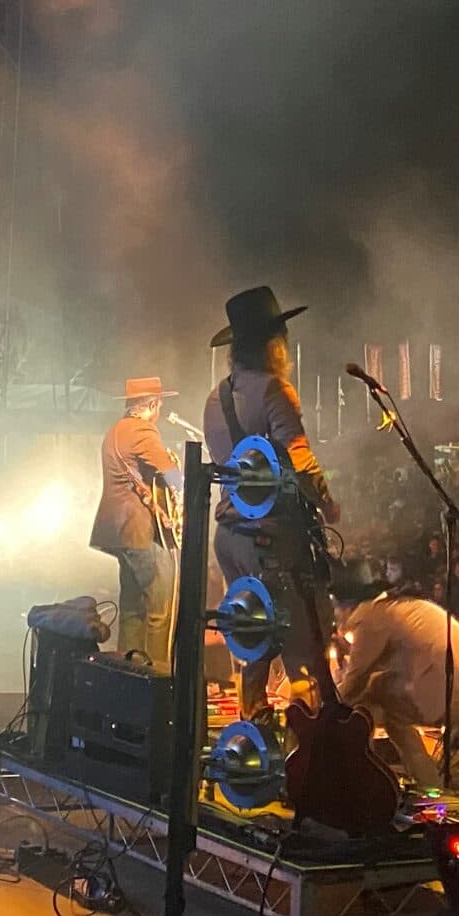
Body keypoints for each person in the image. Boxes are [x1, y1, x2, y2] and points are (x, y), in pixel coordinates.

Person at [202, 286, 338, 717]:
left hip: (228, 533)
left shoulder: (214, 398)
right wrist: (328, 502)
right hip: (271, 534)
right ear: (272, 344)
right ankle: (308, 746)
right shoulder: (275, 390)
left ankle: (253, 734)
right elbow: (299, 456)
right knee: (301, 640)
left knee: (251, 633)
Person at [331, 558, 459, 790]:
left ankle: (362, 776)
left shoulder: (370, 618)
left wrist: (323, 714)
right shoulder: (394, 608)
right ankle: (430, 786)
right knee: (384, 701)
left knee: (371, 696)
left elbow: (353, 682)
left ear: (346, 605)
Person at [88, 376, 181, 671]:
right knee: (159, 608)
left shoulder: (115, 431)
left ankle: (127, 671)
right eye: (160, 405)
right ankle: (157, 675)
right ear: (151, 404)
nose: (161, 411)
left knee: (131, 607)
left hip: (118, 531)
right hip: (140, 531)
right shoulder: (142, 430)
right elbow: (171, 475)